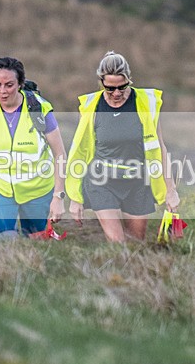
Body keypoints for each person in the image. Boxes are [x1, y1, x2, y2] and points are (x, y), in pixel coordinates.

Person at [66, 50, 180, 242]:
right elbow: (80, 152)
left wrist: (171, 191)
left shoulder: (145, 103)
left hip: (137, 182)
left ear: (129, 80)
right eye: (110, 88)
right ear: (101, 82)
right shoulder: (91, 106)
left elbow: (160, 148)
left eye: (122, 86)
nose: (117, 93)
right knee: (118, 242)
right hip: (101, 182)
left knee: (136, 242)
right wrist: (75, 198)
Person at [0, 56, 67, 238]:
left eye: (9, 85)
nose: (3, 91)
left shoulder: (39, 108)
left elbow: (60, 154)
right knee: (6, 237)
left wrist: (58, 197)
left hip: (37, 187)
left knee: (37, 238)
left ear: (20, 84)